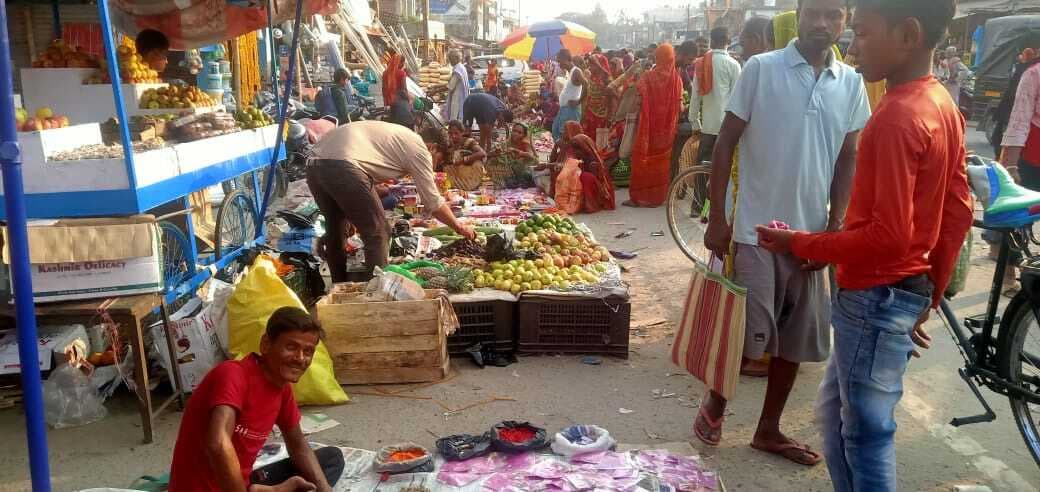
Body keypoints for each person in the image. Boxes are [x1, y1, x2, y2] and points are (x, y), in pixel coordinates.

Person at [757, 1, 968, 489]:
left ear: (909, 36)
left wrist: (800, 242)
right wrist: (929, 293)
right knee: (836, 419)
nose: (851, 46)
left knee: (867, 435)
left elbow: (889, 237)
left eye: (865, 34)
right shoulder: (940, 102)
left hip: (875, 294)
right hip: (898, 291)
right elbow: (956, 209)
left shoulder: (895, 118)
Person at [697, 0, 870, 466]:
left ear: (845, 20)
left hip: (810, 237)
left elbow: (849, 155)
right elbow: (727, 140)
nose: (822, 23)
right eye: (814, 11)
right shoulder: (761, 68)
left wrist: (835, 224)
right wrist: (718, 216)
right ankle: (716, 402)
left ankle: (768, 430)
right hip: (756, 230)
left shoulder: (851, 83)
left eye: (833, 14)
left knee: (794, 341)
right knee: (747, 336)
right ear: (797, 14)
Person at [168, 307, 342, 491]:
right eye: (291, 347)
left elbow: (297, 444)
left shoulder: (282, 389)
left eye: (308, 352)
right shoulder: (233, 374)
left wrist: (325, 489)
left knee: (331, 458)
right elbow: (218, 443)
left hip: (241, 483)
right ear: (266, 344)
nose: (300, 358)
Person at [307, 121, 475, 281]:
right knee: (378, 232)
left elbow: (364, 176)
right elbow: (433, 203)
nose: (434, 165)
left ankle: (339, 290)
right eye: (438, 159)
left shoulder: (402, 137)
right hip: (343, 164)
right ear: (434, 147)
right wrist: (459, 227)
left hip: (314, 164)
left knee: (337, 229)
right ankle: (377, 293)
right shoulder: (420, 149)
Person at [626, 44, 683, 208]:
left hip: (648, 128)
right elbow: (680, 107)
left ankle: (637, 197)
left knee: (641, 160)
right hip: (666, 131)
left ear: (657, 58)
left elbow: (637, 98)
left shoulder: (647, 77)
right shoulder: (677, 80)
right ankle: (656, 198)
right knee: (661, 163)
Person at [689, 27, 742, 166]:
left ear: (711, 41)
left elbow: (695, 96)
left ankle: (701, 188)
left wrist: (695, 122)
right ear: (729, 41)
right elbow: (737, 99)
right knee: (722, 169)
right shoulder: (734, 65)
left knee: (701, 169)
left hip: (706, 126)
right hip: (726, 128)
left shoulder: (700, 63)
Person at [551, 121, 615, 213]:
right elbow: (556, 162)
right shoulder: (572, 146)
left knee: (585, 177)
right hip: (577, 179)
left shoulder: (592, 160)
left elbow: (566, 165)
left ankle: (588, 204)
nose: (562, 132)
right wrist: (556, 146)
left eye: (565, 130)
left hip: (596, 189)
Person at [444, 120, 487, 191]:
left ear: (462, 132)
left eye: (456, 133)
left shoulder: (468, 142)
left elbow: (482, 153)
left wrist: (464, 160)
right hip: (458, 178)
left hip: (471, 176)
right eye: (450, 134)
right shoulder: (449, 145)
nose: (453, 136)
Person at [552, 49, 585, 141]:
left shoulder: (576, 71)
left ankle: (567, 153)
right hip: (565, 109)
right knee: (556, 131)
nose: (559, 64)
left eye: (559, 61)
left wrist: (579, 101)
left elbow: (586, 84)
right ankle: (563, 153)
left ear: (565, 58)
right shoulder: (569, 72)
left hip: (571, 110)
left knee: (567, 136)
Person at [581, 53, 615, 142]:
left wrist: (609, 117)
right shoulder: (592, 78)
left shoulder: (607, 80)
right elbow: (589, 95)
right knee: (588, 138)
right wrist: (585, 111)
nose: (590, 67)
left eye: (592, 65)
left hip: (602, 115)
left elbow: (611, 100)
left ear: (599, 66)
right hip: (590, 112)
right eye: (590, 64)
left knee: (599, 140)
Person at [382, 51, 414, 129]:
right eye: (403, 63)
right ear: (399, 63)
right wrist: (410, 99)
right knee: (408, 121)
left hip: (390, 100)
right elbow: (404, 89)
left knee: (393, 123)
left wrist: (385, 101)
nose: (403, 65)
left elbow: (383, 89)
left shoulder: (385, 73)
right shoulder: (401, 73)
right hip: (400, 100)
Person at [442, 50, 470, 122]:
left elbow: (450, 86)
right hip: (461, 95)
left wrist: (435, 90)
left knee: (455, 117)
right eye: (449, 58)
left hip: (458, 97)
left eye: (451, 58)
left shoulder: (458, 69)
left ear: (457, 58)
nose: (450, 60)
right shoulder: (461, 67)